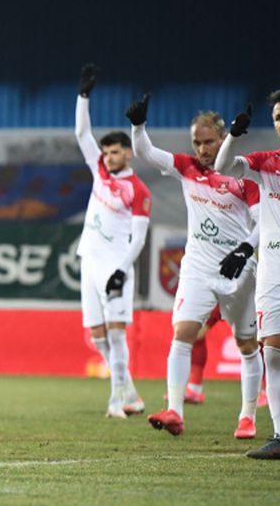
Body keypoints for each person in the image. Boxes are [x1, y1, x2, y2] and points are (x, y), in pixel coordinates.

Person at [128, 95, 263, 439]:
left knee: (247, 345)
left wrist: (245, 250)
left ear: (223, 139)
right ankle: (175, 410)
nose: (202, 149)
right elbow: (146, 152)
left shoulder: (244, 178)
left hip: (238, 271)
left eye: (209, 142)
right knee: (183, 334)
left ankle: (247, 416)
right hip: (198, 269)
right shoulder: (187, 167)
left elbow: (264, 222)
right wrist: (138, 126)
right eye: (197, 143)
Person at [215, 88, 280, 459]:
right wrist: (233, 134)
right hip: (275, 272)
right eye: (278, 117)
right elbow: (222, 168)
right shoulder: (266, 162)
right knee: (274, 355)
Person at [74, 65, 151, 419]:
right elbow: (81, 133)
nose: (108, 157)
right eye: (105, 152)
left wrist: (121, 270)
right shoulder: (100, 172)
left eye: (115, 152)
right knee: (98, 335)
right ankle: (129, 393)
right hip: (89, 261)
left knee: (117, 334)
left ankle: (116, 400)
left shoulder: (138, 190)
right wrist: (83, 96)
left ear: (128, 153)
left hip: (115, 265)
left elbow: (140, 237)